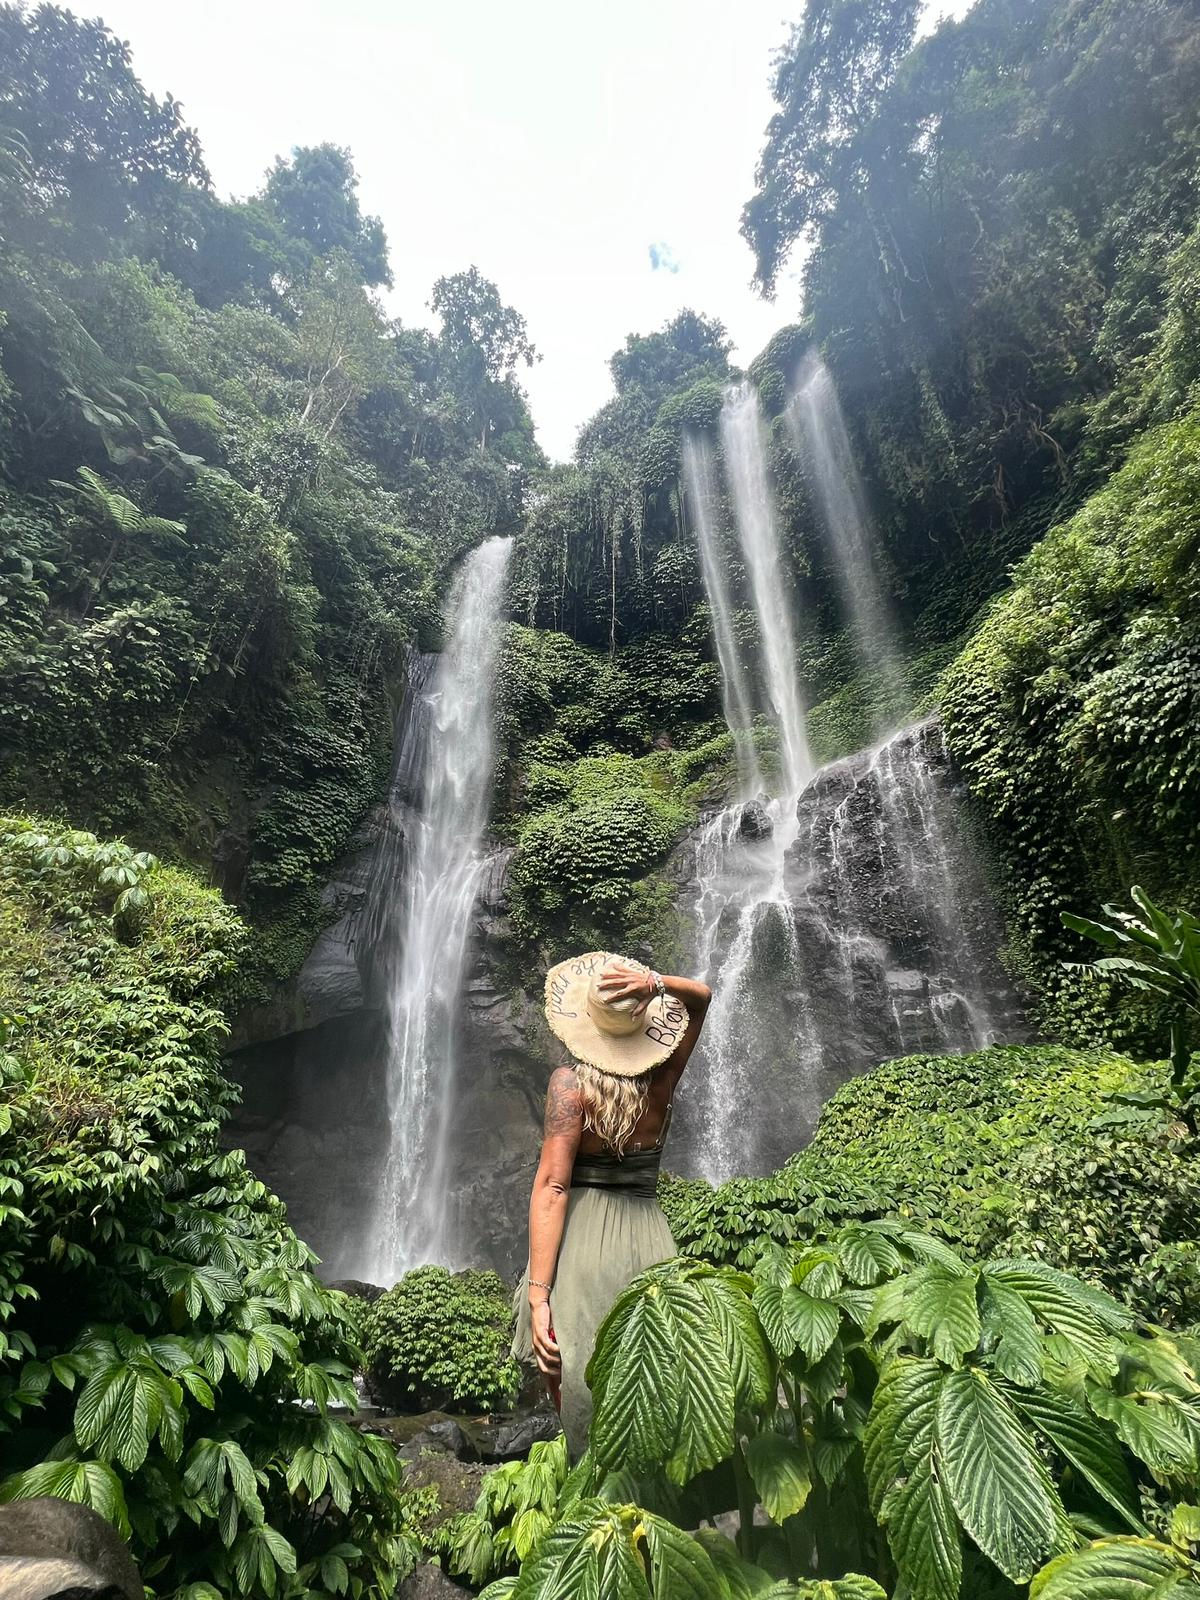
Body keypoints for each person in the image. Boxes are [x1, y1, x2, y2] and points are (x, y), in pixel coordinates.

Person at [511, 950, 712, 1457]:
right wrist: (653, 982)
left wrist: (538, 1295)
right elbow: (703, 997)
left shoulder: (570, 1087)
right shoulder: (663, 1079)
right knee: (656, 1370)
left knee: (575, 1370)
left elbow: (553, 1187)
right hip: (650, 1240)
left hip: (583, 1245)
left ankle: (590, 1488)